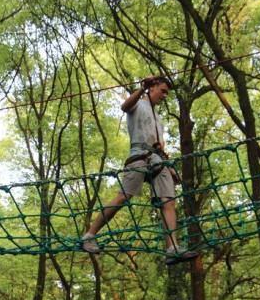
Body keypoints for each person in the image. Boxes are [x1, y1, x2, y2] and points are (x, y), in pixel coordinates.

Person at [81, 76, 198, 265]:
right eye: (163, 90)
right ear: (152, 88)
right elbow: (125, 106)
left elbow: (159, 146)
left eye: (167, 92)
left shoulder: (158, 119)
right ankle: (89, 235)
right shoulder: (139, 104)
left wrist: (170, 167)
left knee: (168, 201)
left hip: (158, 159)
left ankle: (172, 248)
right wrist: (141, 88)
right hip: (139, 154)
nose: (165, 95)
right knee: (124, 196)